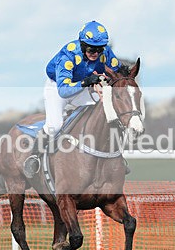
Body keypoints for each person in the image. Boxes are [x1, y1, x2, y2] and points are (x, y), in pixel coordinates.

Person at [23, 20, 121, 178]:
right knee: (54, 126)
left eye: (99, 48)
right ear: (82, 44)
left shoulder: (106, 52)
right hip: (58, 88)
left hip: (81, 86)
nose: (96, 53)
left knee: (103, 110)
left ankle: (114, 154)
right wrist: (86, 82)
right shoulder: (68, 55)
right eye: (91, 48)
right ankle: (34, 157)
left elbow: (118, 70)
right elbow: (64, 91)